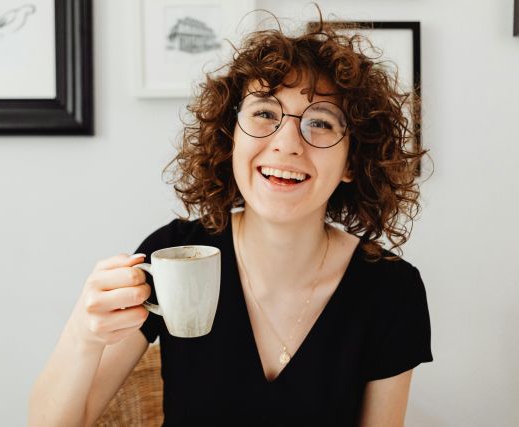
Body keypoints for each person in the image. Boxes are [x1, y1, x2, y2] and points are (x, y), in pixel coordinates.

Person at [28, 9, 433, 426]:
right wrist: (84, 332)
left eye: (320, 123)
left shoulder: (391, 290)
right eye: (265, 114)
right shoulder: (173, 256)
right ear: (230, 137)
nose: (287, 144)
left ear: (353, 161)